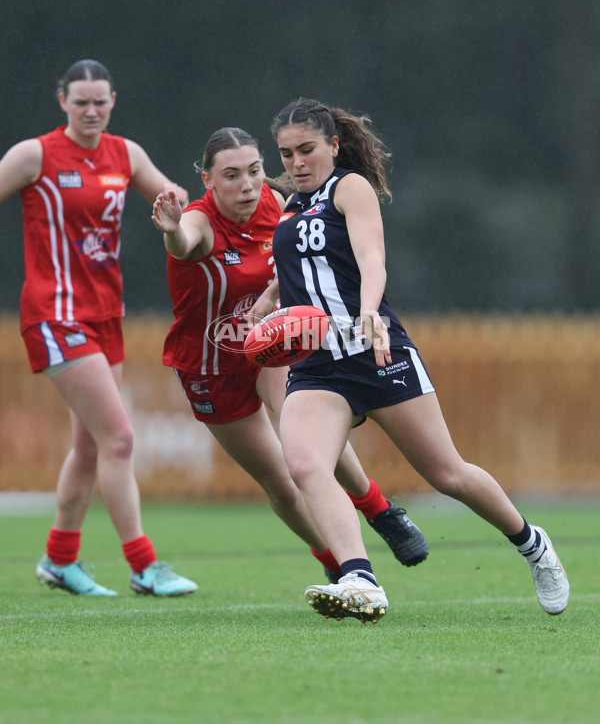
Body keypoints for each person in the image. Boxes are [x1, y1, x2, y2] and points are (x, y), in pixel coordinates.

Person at [269, 97, 570, 623]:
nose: (296, 162)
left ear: (334, 146)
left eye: (307, 149)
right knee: (305, 466)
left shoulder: (350, 188)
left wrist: (368, 312)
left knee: (447, 474)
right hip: (317, 366)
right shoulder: (291, 208)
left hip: (375, 351)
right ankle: (360, 578)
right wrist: (262, 307)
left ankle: (533, 544)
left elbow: (371, 256)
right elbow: (298, 272)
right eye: (287, 153)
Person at [151, 126, 428, 583]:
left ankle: (379, 511)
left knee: (305, 439)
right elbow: (184, 240)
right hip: (211, 366)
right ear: (207, 180)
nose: (246, 185)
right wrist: (171, 229)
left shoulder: (278, 206)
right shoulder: (200, 219)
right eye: (232, 175)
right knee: (281, 481)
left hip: (271, 344)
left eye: (255, 171)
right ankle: (334, 561)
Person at [0, 59, 198, 597]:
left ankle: (60, 560)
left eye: (100, 101)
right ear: (61, 101)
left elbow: (169, 196)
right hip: (54, 312)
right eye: (80, 101)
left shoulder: (124, 153)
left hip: (106, 314)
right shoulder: (34, 155)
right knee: (120, 437)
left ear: (113, 101)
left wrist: (178, 203)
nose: (91, 110)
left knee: (89, 448)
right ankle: (144, 566)